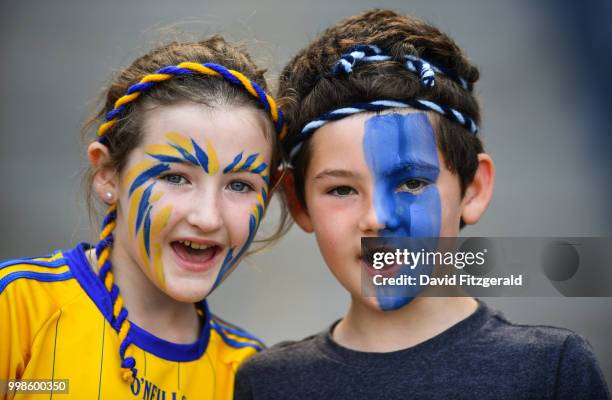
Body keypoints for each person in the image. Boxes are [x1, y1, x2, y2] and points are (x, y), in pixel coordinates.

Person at [234, 9, 610, 399]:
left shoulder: (551, 370)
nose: (377, 218)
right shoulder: (269, 384)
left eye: (412, 182)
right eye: (342, 190)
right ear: (299, 202)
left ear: (473, 189)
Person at [0, 35, 288, 399]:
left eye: (240, 186)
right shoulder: (18, 308)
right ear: (108, 174)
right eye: (175, 177)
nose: (208, 217)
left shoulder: (247, 375)